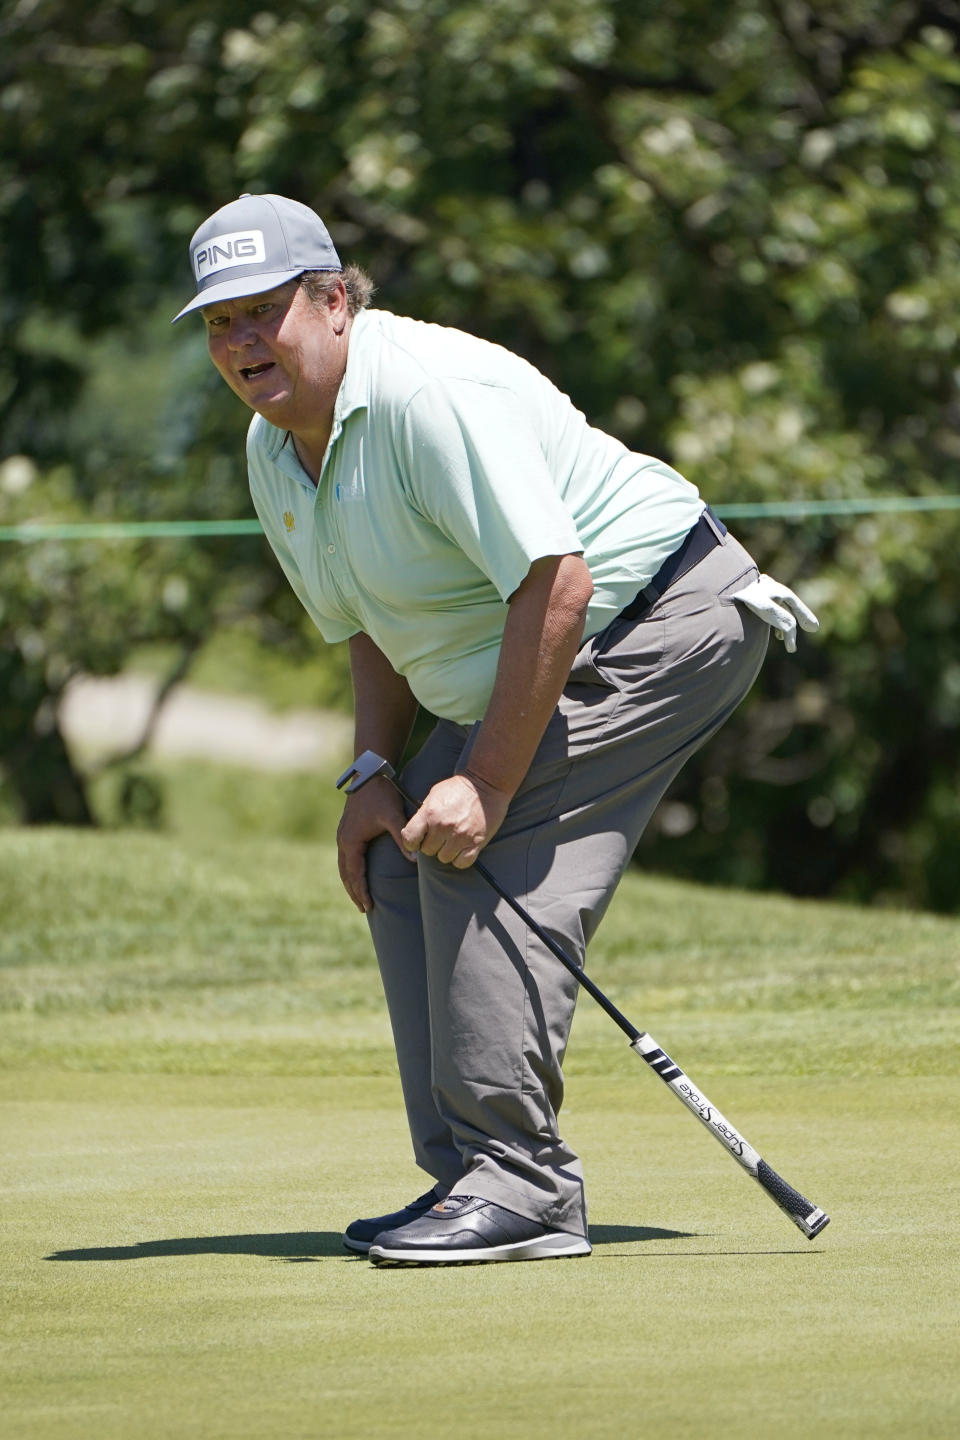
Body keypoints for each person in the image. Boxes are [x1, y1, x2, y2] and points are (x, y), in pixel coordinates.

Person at [174, 193, 819, 1267]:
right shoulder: (276, 447)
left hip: (664, 617)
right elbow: (370, 621)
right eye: (218, 324)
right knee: (398, 848)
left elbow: (556, 586)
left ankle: (522, 1186)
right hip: (561, 639)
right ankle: (469, 1177)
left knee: (484, 842)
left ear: (334, 301)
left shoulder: (428, 394)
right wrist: (375, 771)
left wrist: (486, 783)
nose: (241, 342)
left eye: (263, 311)